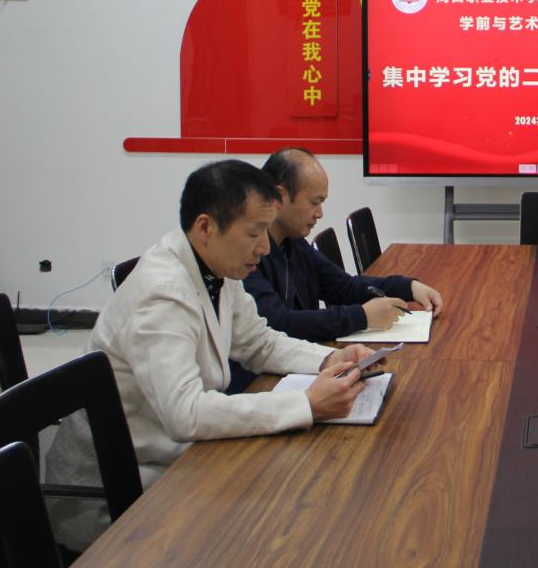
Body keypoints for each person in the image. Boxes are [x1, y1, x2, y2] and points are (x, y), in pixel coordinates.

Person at [46, 160, 376, 547]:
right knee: (285, 516)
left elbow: (257, 342)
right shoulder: (161, 293)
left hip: (176, 458)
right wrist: (305, 404)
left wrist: (328, 359)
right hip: (115, 492)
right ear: (205, 227)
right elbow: (186, 414)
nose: (264, 247)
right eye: (254, 233)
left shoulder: (216, 266)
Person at [228, 148, 444, 391]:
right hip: (257, 384)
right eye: (314, 202)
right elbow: (278, 323)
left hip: (295, 369)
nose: (320, 213)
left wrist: (407, 286)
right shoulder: (246, 257)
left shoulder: (294, 244)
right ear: (279, 196)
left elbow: (344, 287)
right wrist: (361, 316)